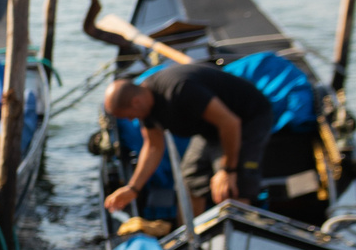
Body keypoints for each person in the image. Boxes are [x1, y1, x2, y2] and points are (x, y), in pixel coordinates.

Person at [101, 60, 275, 212]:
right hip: (210, 128)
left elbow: (230, 123)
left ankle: (238, 229)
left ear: (136, 102)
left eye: (127, 115)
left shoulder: (179, 89)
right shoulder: (146, 107)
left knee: (230, 188)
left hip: (246, 119)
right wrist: (133, 188)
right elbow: (153, 146)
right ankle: (192, 234)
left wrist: (228, 170)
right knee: (189, 181)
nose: (130, 120)